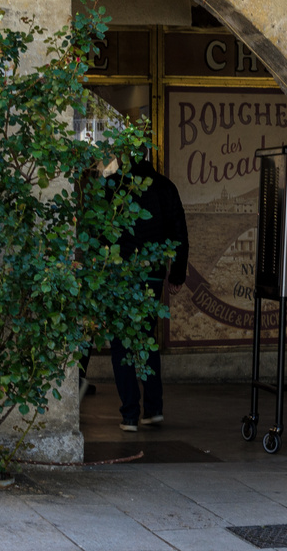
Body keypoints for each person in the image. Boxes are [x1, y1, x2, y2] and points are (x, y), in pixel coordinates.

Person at [111, 156, 190, 432]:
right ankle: (153, 409)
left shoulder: (115, 186)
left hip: (121, 274)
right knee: (146, 336)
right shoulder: (166, 187)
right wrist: (177, 274)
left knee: (122, 340)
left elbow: (102, 231)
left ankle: (130, 414)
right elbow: (179, 233)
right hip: (153, 273)